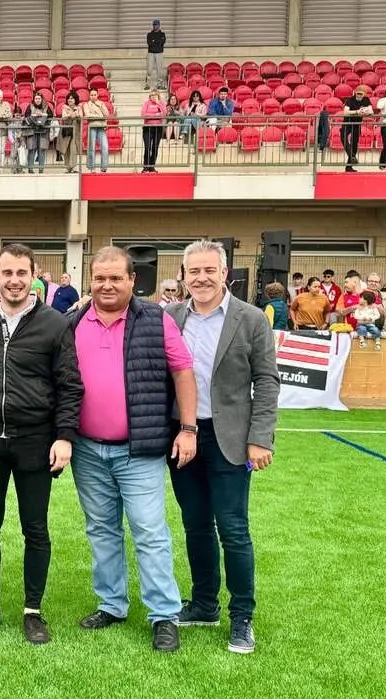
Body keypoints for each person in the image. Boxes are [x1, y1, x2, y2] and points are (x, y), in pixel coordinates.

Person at [69, 246, 196, 653]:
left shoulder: (156, 321)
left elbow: (183, 372)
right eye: (99, 278)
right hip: (87, 451)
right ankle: (112, 604)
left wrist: (188, 428)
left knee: (149, 531)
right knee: (101, 530)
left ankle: (164, 615)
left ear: (132, 280)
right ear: (90, 279)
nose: (107, 285)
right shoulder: (72, 322)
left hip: (140, 449)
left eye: (115, 278)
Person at [164, 240, 280, 655]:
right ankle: (204, 604)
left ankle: (242, 617)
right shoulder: (171, 317)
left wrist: (259, 438)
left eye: (209, 270)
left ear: (225, 273)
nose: (201, 278)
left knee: (233, 529)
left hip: (231, 440)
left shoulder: (250, 320)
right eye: (193, 271)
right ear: (183, 274)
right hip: (183, 437)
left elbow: (267, 381)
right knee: (195, 525)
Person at [0, 244, 83, 645]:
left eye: (22, 273)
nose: (14, 280)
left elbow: (70, 385)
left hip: (35, 440)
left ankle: (33, 611)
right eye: (7, 273)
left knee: (35, 528)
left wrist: (64, 437)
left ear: (34, 276)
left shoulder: (54, 323)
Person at [341, 86, 373, 172]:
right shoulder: (350, 100)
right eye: (358, 93)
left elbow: (371, 111)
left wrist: (365, 111)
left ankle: (349, 167)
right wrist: (357, 112)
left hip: (357, 124)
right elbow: (345, 112)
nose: (359, 95)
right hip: (347, 122)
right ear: (355, 93)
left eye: (361, 94)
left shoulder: (366, 99)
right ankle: (352, 156)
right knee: (343, 138)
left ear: (364, 94)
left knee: (354, 144)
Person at [83, 88, 111, 173]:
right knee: (91, 147)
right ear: (89, 96)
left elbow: (106, 115)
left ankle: (104, 167)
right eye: (91, 95)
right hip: (92, 127)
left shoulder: (101, 103)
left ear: (97, 95)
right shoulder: (86, 105)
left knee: (105, 147)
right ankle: (92, 167)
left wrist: (100, 107)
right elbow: (88, 115)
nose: (93, 96)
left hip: (101, 127)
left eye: (95, 95)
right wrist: (100, 115)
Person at [23, 93, 51, 173]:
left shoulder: (46, 107)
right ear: (34, 99)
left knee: (41, 150)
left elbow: (51, 116)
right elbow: (26, 116)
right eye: (36, 98)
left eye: (39, 98)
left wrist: (42, 115)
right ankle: (30, 168)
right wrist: (34, 116)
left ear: (42, 99)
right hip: (32, 131)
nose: (37, 100)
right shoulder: (30, 106)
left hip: (43, 131)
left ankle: (41, 169)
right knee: (31, 150)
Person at [57, 90, 83, 173]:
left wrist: (77, 115)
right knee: (66, 150)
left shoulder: (79, 108)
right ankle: (68, 168)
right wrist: (71, 115)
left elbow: (81, 117)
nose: (70, 100)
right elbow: (63, 117)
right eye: (68, 98)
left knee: (73, 149)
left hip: (75, 132)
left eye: (72, 98)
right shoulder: (64, 107)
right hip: (66, 131)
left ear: (75, 99)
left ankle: (73, 167)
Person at [141, 91, 166, 173]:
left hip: (158, 128)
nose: (153, 97)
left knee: (155, 147)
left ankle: (152, 166)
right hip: (147, 128)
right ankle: (146, 167)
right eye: (151, 95)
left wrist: (158, 104)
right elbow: (143, 114)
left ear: (158, 96)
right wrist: (156, 115)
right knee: (147, 147)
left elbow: (164, 114)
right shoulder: (146, 103)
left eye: (154, 95)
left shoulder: (161, 103)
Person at [145, 20, 166, 91]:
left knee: (160, 69)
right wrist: (157, 42)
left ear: (159, 25)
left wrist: (154, 41)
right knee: (149, 69)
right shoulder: (149, 34)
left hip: (159, 53)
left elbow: (162, 42)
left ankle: (160, 84)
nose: (155, 26)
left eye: (156, 25)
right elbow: (149, 43)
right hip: (151, 53)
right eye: (154, 25)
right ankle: (147, 84)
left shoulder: (162, 34)